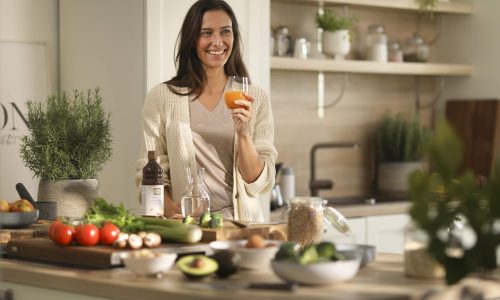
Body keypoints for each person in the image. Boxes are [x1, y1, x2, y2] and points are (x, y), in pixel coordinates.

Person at [136, 0, 277, 222]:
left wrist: (243, 133)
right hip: (187, 228)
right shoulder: (162, 97)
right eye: (206, 33)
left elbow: (257, 182)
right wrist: (172, 211)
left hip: (241, 228)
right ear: (192, 39)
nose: (217, 41)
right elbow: (148, 172)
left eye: (225, 32)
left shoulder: (255, 98)